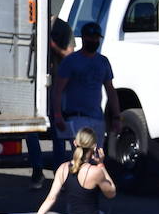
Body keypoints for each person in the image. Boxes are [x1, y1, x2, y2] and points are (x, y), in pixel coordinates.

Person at [51, 20, 121, 148]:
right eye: (91, 38)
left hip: (97, 118)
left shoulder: (103, 62)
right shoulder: (71, 61)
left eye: (96, 38)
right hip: (77, 118)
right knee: (81, 158)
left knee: (96, 159)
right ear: (83, 38)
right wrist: (58, 115)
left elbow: (111, 91)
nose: (94, 41)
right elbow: (58, 90)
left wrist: (116, 117)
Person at [28, 17, 74, 188]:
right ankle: (37, 170)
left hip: (56, 86)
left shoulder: (62, 27)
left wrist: (52, 45)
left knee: (57, 130)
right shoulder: (30, 25)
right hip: (34, 86)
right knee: (31, 130)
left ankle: (59, 174)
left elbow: (69, 54)